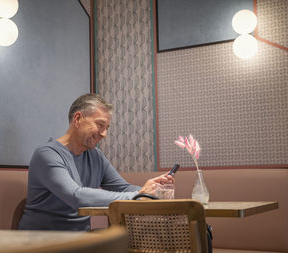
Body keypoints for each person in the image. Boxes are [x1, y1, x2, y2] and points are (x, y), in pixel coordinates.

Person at [18, 93, 174, 231]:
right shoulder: (47, 154)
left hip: (81, 240)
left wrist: (153, 191)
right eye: (100, 125)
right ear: (78, 119)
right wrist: (139, 196)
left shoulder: (95, 155)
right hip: (42, 242)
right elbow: (76, 196)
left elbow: (122, 187)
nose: (104, 134)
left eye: (107, 127)